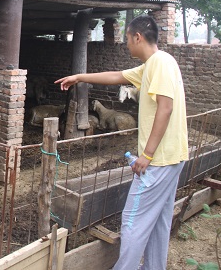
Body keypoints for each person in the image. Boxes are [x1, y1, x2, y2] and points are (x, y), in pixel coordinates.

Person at [55, 15, 188, 270]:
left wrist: (146, 155)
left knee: (132, 220)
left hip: (158, 161)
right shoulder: (152, 64)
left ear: (138, 37)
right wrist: (80, 77)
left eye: (127, 39)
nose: (126, 45)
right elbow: (117, 76)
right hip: (172, 158)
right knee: (159, 220)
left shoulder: (159, 63)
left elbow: (166, 108)